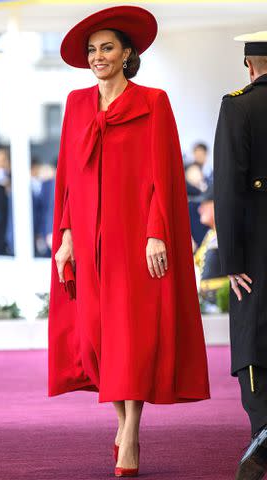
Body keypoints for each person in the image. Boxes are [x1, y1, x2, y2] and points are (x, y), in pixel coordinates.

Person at [48, 6, 210, 478]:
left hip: (133, 238)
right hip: (88, 236)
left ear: (126, 54)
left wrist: (157, 233)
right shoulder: (76, 104)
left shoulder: (154, 102)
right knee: (97, 335)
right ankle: (120, 422)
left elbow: (164, 176)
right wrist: (67, 237)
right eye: (93, 50)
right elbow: (67, 179)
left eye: (107, 48)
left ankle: (132, 434)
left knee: (131, 337)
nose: (98, 56)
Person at [214, 30, 267, 480]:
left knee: (254, 339)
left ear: (249, 66)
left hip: (257, 249)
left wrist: (230, 260)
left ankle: (264, 432)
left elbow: (228, 189)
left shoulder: (239, 105)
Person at [194, 183, 228, 311]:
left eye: (204, 204)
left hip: (221, 300)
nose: (200, 209)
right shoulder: (210, 234)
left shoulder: (226, 233)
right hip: (206, 301)